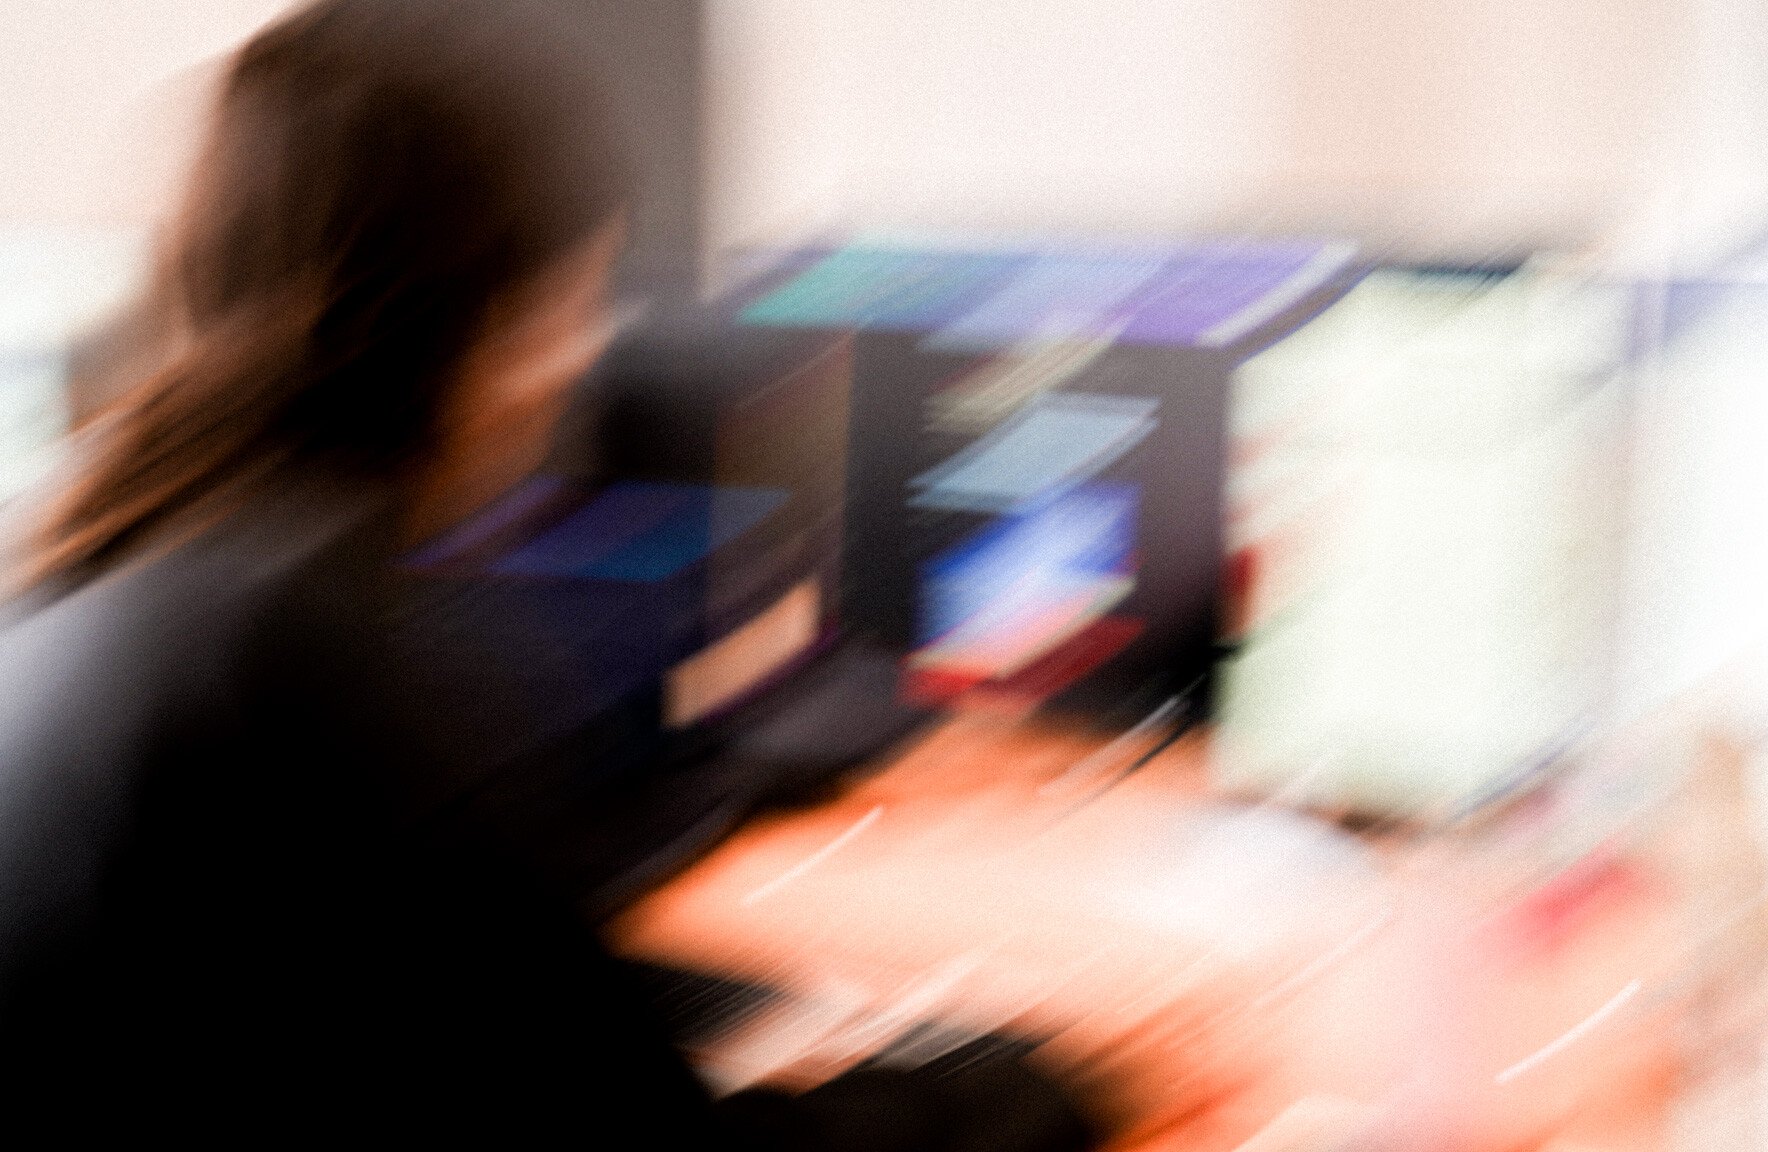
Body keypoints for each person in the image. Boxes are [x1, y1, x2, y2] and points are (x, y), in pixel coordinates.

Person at [0, 3, 1093, 1148]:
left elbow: (469, 993)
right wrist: (1027, 1089)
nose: (578, 355)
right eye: (577, 297)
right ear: (502, 325)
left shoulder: (111, 569)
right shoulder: (298, 645)